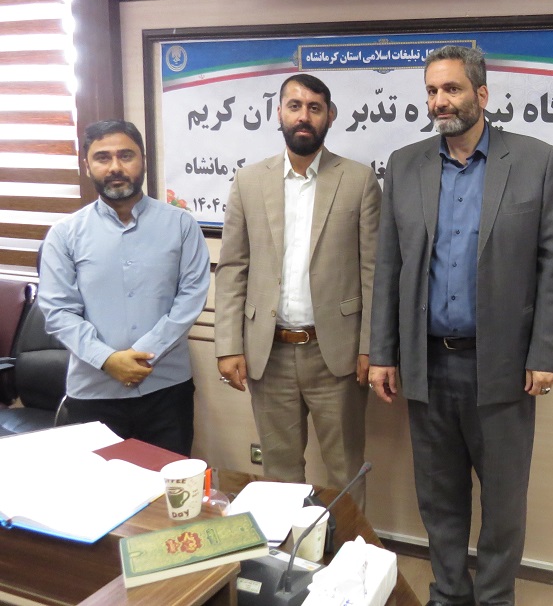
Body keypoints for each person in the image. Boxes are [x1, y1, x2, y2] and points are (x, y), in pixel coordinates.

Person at [368, 45, 553, 606]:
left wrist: (545, 353)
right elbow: (388, 267)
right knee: (440, 499)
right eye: (432, 91)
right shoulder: (405, 165)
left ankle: (495, 598)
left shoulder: (535, 160)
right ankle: (449, 594)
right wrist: (382, 353)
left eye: (451, 89)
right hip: (428, 364)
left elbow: (551, 265)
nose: (440, 101)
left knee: (503, 503)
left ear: (481, 94)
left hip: (501, 365)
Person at [214, 73, 380, 508]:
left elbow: (373, 273)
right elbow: (232, 269)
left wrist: (371, 347)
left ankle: (348, 548)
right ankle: (288, 550)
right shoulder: (249, 181)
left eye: (314, 107)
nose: (303, 116)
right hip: (268, 354)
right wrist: (228, 345)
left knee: (345, 471)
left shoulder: (359, 180)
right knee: (279, 473)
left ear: (330, 116)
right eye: (294, 106)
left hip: (336, 355)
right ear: (279, 114)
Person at [37, 120, 210, 456]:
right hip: (93, 393)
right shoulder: (64, 234)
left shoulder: (181, 224)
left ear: (143, 160)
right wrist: (107, 359)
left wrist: (144, 353)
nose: (115, 167)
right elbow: (58, 311)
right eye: (102, 157)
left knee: (168, 483)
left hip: (166, 390)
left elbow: (191, 297)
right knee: (100, 486)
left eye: (125, 155)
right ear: (87, 166)